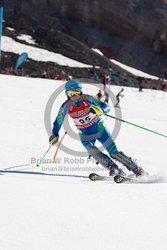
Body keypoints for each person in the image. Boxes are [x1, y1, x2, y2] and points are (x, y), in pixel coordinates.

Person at [49, 80, 146, 177]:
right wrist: (55, 134)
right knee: (93, 151)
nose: (74, 96)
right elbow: (58, 121)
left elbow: (106, 107)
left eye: (77, 92)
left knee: (113, 152)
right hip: (85, 134)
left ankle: (137, 169)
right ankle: (113, 168)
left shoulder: (88, 99)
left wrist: (102, 110)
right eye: (71, 93)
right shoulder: (66, 105)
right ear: (67, 94)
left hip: (100, 129)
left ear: (81, 92)